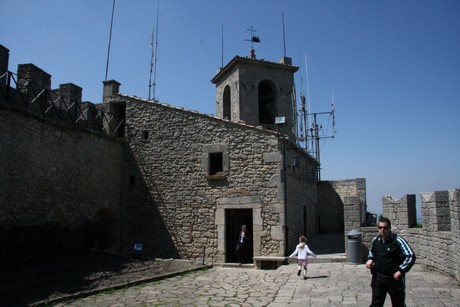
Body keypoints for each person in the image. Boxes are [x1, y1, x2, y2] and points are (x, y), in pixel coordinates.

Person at [365, 217, 416, 307]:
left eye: (385, 228)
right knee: (376, 304)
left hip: (394, 279)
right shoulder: (376, 241)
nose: (382, 230)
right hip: (378, 278)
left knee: (398, 304)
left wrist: (401, 270)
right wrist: (370, 259)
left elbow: (410, 256)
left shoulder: (398, 241)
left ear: (390, 228)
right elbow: (372, 252)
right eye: (380, 227)